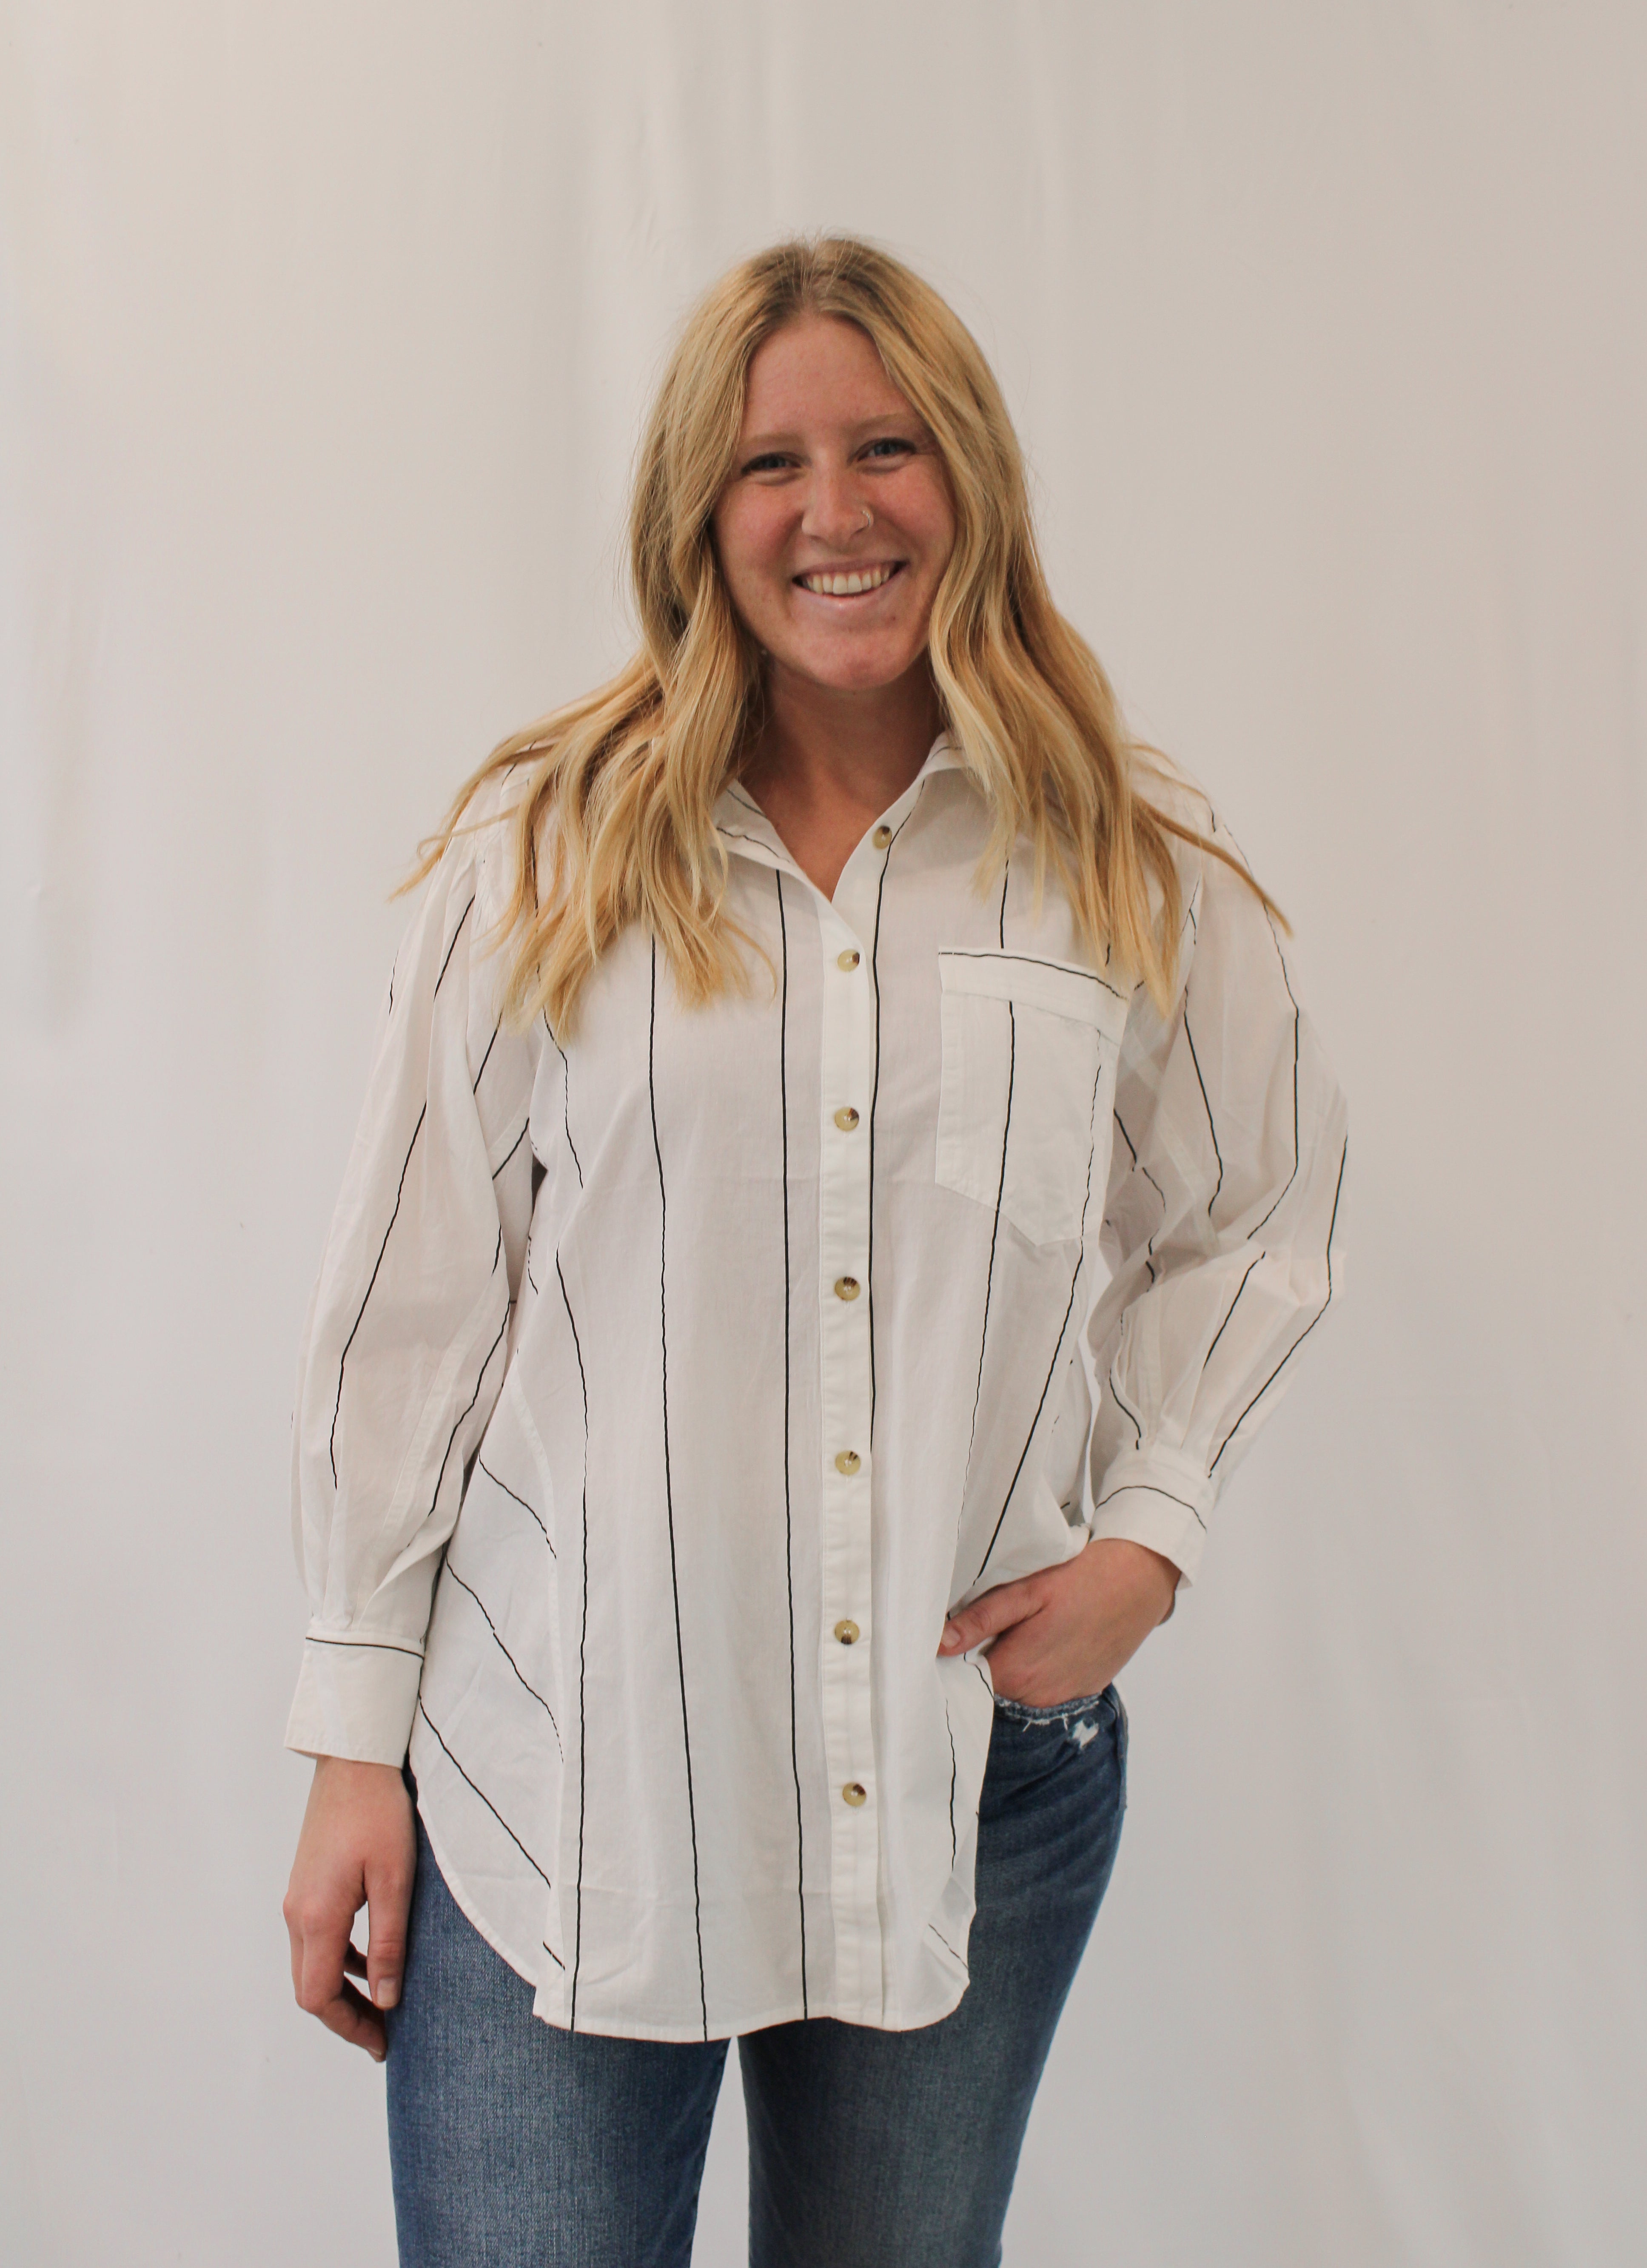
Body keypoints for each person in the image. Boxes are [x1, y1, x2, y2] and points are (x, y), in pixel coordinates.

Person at [282, 234, 1348, 2268]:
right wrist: (350, 1746)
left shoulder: (1120, 866)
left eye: (886, 447)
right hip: (561, 1776)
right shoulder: (546, 857)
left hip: (962, 1773)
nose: (834, 509)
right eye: (770, 463)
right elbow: (408, 1315)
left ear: (971, 477)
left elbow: (1260, 1206)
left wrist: (1150, 1530)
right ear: (699, 513)